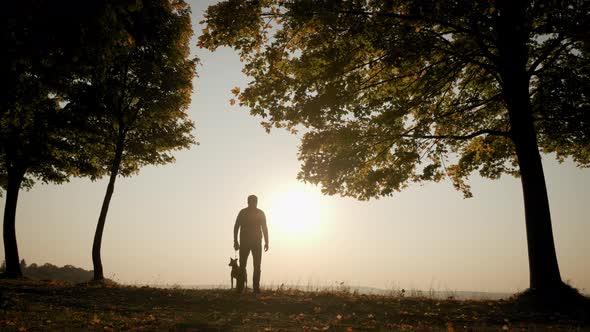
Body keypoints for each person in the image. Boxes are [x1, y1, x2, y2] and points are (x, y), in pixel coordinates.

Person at [233, 194, 269, 293]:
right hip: (246, 242)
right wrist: (235, 241)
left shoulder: (259, 213)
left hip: (256, 242)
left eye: (254, 201)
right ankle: (240, 288)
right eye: (252, 201)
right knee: (243, 265)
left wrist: (267, 241)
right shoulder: (243, 212)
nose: (253, 203)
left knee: (256, 265)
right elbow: (236, 227)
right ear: (248, 202)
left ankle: (255, 288)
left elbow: (264, 228)